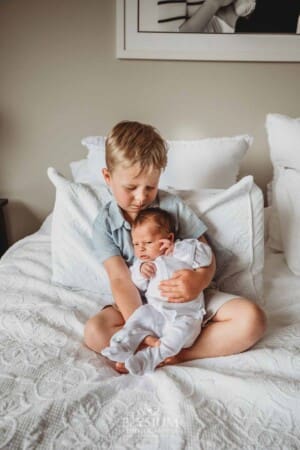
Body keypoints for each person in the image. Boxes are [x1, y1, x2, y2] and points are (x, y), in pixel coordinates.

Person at [84, 120, 266, 374]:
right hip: (142, 302)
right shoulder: (104, 224)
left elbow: (205, 254)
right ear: (108, 177)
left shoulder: (171, 206)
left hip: (188, 300)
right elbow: (120, 280)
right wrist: (142, 328)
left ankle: (177, 354)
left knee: (252, 319)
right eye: (130, 187)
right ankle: (154, 346)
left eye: (150, 187)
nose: (141, 197)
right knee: (94, 331)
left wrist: (198, 282)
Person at [101, 207, 212, 375]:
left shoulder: (183, 251)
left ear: (168, 239)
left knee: (180, 335)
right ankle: (122, 345)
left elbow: (206, 256)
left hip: (185, 314)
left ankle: (151, 357)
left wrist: (177, 249)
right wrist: (141, 272)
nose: (141, 249)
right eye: (136, 244)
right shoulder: (143, 264)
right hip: (156, 311)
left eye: (147, 243)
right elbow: (137, 284)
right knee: (137, 319)